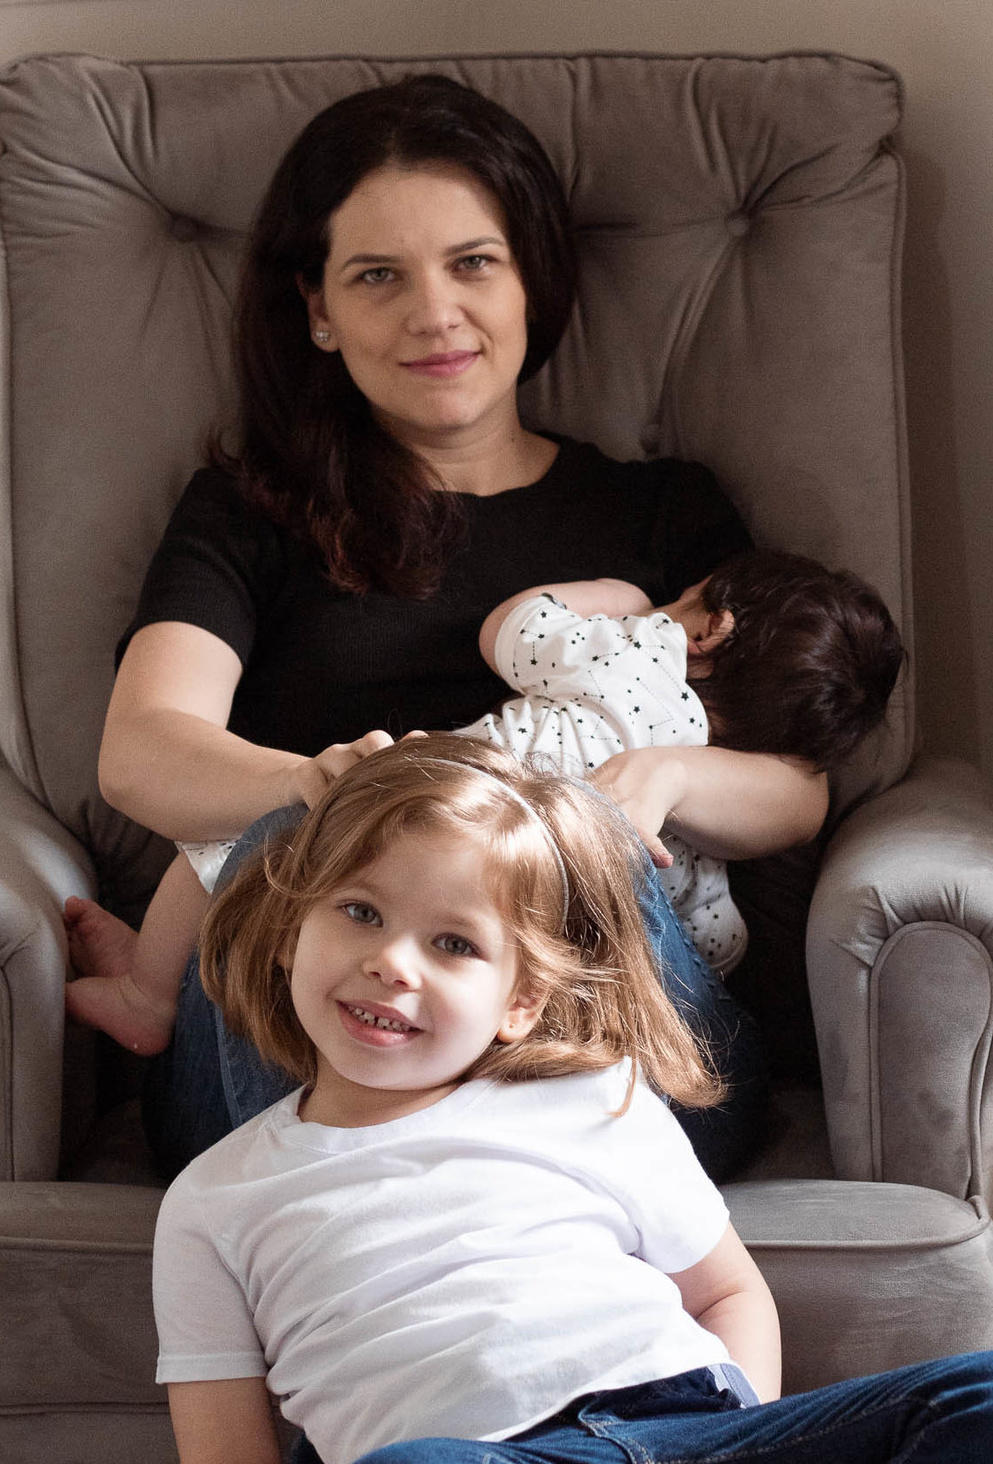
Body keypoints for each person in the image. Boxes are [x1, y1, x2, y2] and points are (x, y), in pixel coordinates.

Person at [153, 735, 993, 1464]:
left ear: (520, 999)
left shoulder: (592, 1098)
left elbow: (729, 1289)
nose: (391, 961)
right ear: (292, 929)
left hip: (694, 1443)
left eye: (454, 944)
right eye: (360, 912)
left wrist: (748, 1454)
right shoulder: (215, 1199)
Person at [68, 72, 830, 1179]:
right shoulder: (252, 515)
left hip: (598, 1015)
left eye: (473, 263)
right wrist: (323, 788)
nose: (435, 313)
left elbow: (798, 787)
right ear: (319, 312)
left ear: (531, 282)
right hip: (305, 1042)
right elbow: (142, 751)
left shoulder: (660, 512)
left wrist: (661, 780)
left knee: (582, 851)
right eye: (378, 276)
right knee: (306, 850)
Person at [66, 546, 901, 1058]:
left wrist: (616, 597)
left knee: (234, 845)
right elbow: (711, 940)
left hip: (462, 816)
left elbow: (512, 631)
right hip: (607, 984)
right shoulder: (733, 762)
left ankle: (147, 992)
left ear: (710, 629)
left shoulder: (638, 647)